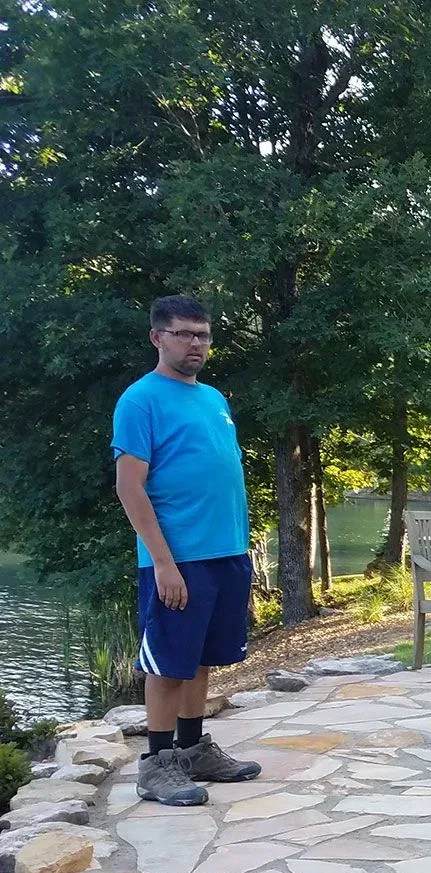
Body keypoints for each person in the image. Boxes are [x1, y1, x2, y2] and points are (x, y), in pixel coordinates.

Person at [112, 295, 263, 805]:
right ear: (158, 337)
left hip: (226, 553)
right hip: (179, 557)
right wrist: (162, 562)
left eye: (202, 334)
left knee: (202, 659)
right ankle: (157, 765)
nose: (195, 343)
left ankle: (194, 749)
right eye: (184, 334)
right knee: (169, 663)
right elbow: (130, 487)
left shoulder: (215, 400)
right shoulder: (140, 400)